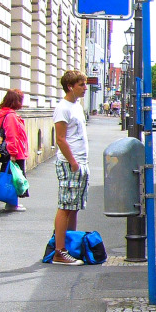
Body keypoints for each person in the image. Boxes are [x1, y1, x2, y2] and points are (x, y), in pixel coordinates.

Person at [51, 70, 89, 266]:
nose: (85, 87)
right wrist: (72, 161)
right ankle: (60, 251)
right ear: (70, 87)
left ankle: (71, 246)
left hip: (80, 162)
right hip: (69, 163)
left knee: (74, 206)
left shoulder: (77, 106)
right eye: (81, 84)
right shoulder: (63, 108)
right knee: (65, 206)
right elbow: (60, 139)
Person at [0, 88, 30, 212]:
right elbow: (11, 135)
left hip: (15, 151)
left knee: (12, 176)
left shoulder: (7, 114)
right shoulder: (10, 116)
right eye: (20, 100)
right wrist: (13, 153)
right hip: (15, 152)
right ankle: (11, 203)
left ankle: (12, 202)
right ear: (15, 101)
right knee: (15, 178)